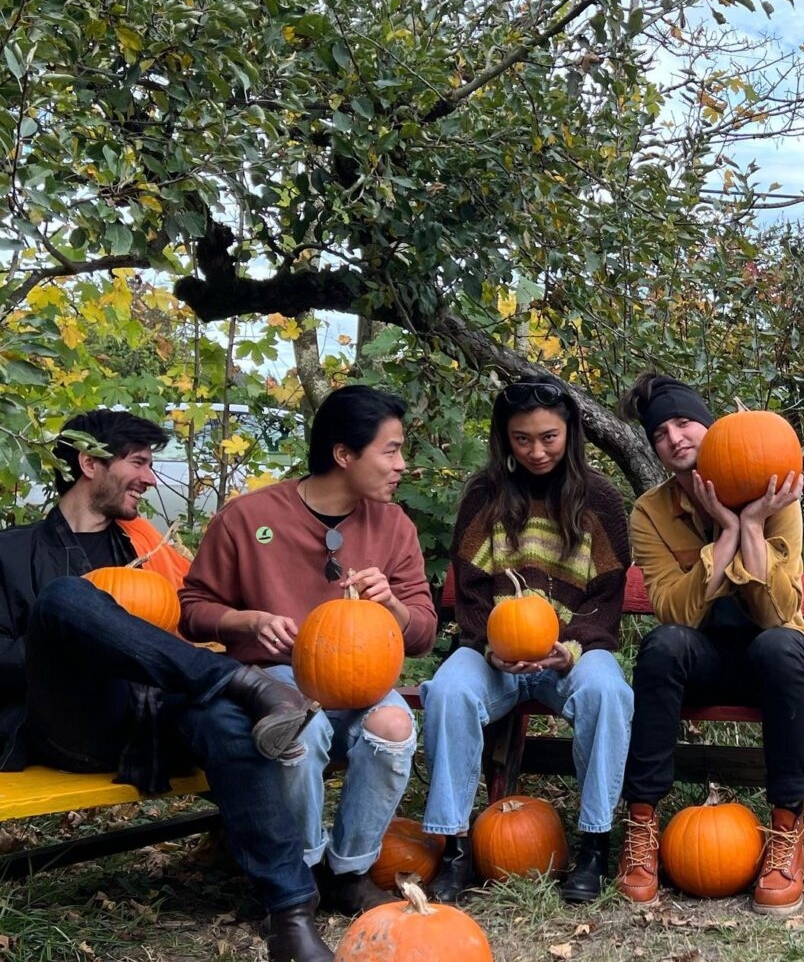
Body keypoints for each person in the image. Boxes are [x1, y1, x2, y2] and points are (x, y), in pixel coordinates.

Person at [0, 408, 334, 962]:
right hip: (75, 720)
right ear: (89, 464)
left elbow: (188, 624)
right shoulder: (12, 551)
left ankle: (291, 909)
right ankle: (243, 682)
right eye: (138, 463)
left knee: (227, 723)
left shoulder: (147, 551)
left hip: (156, 718)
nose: (151, 479)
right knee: (64, 598)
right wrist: (74, 641)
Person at [179, 385, 438, 916]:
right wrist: (244, 620)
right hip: (277, 682)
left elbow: (423, 634)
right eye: (389, 450)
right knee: (301, 725)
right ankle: (299, 870)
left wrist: (391, 604)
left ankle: (351, 871)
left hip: (362, 684)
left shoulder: (395, 527)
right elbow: (191, 608)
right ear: (344, 455)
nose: (401, 464)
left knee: (394, 726)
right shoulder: (248, 518)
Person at [418, 374, 633, 904]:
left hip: (570, 655)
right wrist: (490, 646)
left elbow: (607, 596)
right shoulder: (484, 497)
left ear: (570, 434)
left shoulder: (600, 501)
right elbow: (468, 589)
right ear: (504, 438)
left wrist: (573, 648)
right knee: (448, 692)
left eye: (548, 437)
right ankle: (455, 846)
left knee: (608, 692)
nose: (536, 451)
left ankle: (594, 843)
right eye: (522, 439)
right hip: (494, 655)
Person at [615, 372, 804, 916]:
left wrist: (751, 524)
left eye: (685, 422)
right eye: (661, 432)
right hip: (699, 657)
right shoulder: (650, 513)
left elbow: (778, 613)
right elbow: (677, 611)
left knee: (783, 647)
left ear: (711, 427)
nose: (675, 437)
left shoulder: (777, 490)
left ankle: (785, 832)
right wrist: (724, 534)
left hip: (767, 658)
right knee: (662, 644)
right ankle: (641, 831)